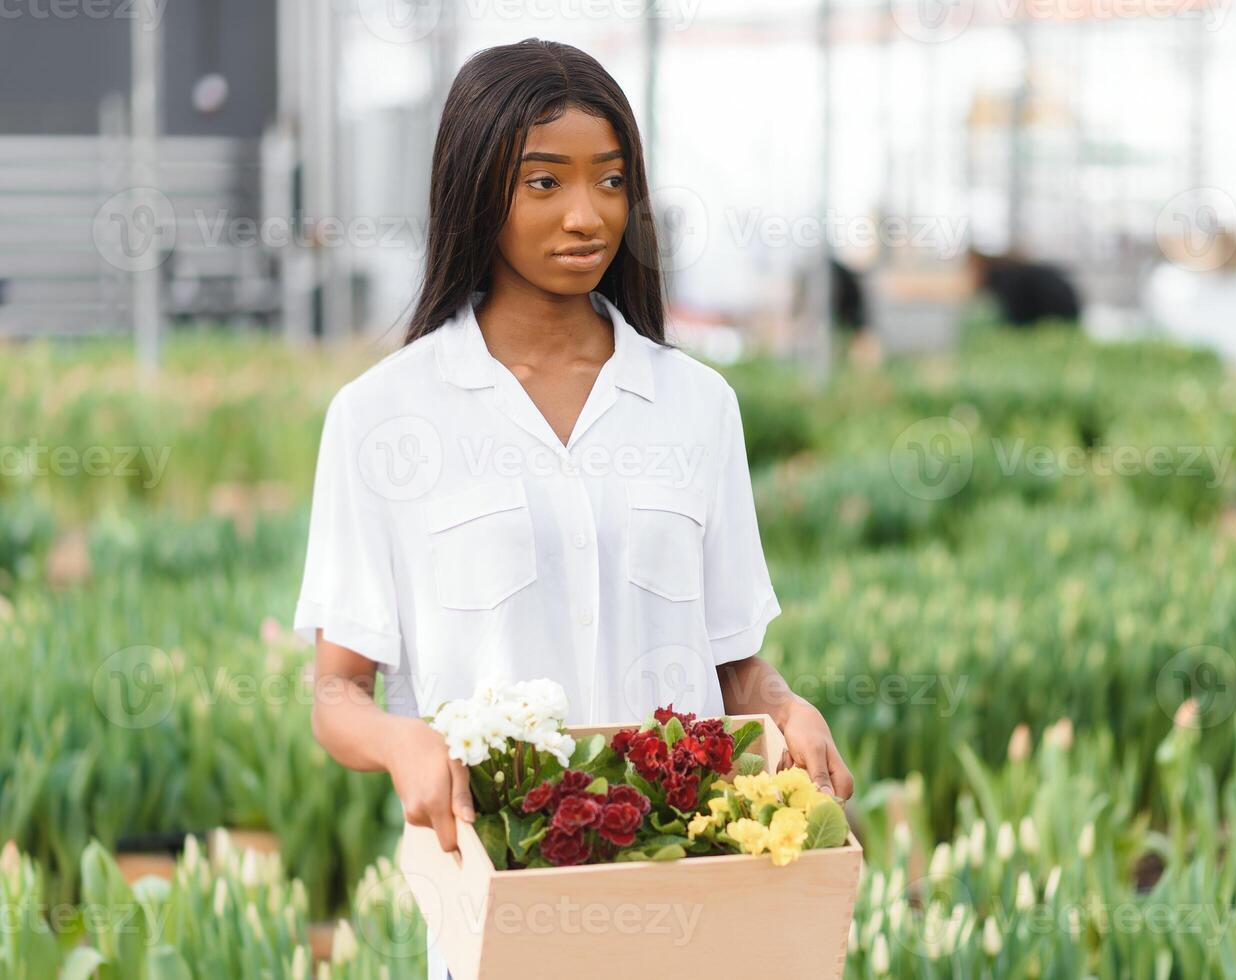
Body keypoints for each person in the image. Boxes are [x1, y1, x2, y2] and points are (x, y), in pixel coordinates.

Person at [291, 39, 854, 979]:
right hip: (503, 903)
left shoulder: (696, 405)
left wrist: (787, 710)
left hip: (690, 893)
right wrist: (403, 743)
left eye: (610, 180)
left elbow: (736, 663)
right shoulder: (383, 418)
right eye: (544, 183)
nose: (586, 215)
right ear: (477, 193)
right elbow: (336, 691)